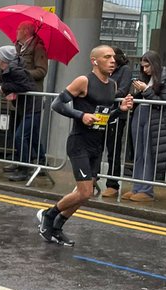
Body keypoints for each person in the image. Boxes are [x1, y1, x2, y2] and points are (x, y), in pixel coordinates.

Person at [37, 44, 134, 246]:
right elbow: (57, 104)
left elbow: (104, 117)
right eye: (107, 57)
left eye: (114, 58)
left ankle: (58, 226)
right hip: (79, 142)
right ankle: (48, 215)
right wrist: (81, 115)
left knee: (85, 195)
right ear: (95, 61)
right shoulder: (84, 81)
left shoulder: (112, 85)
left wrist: (121, 110)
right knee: (85, 192)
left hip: (96, 146)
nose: (113, 61)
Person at [123, 49, 166, 203]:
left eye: (147, 66)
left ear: (155, 64)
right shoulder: (145, 78)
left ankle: (146, 190)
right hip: (140, 113)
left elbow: (164, 101)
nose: (145, 69)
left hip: (154, 117)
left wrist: (146, 90)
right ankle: (137, 187)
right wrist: (134, 95)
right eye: (143, 67)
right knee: (138, 153)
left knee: (148, 154)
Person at [0, 43, 47, 182]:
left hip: (32, 107)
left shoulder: (16, 70)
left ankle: (25, 169)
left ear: (3, 59)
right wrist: (4, 88)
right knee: (33, 136)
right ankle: (42, 163)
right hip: (25, 107)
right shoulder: (5, 70)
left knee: (20, 136)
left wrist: (7, 88)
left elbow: (27, 86)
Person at [99, 47, 134, 197]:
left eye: (112, 57)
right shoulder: (105, 70)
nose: (110, 60)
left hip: (117, 115)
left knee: (113, 150)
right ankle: (93, 178)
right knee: (96, 147)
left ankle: (112, 184)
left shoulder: (125, 70)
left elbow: (123, 90)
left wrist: (104, 93)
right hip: (102, 112)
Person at [16, 20, 48, 87]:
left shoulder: (38, 48)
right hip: (20, 89)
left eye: (19, 29)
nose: (16, 31)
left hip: (31, 91)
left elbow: (41, 71)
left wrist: (23, 73)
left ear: (26, 31)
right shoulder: (19, 47)